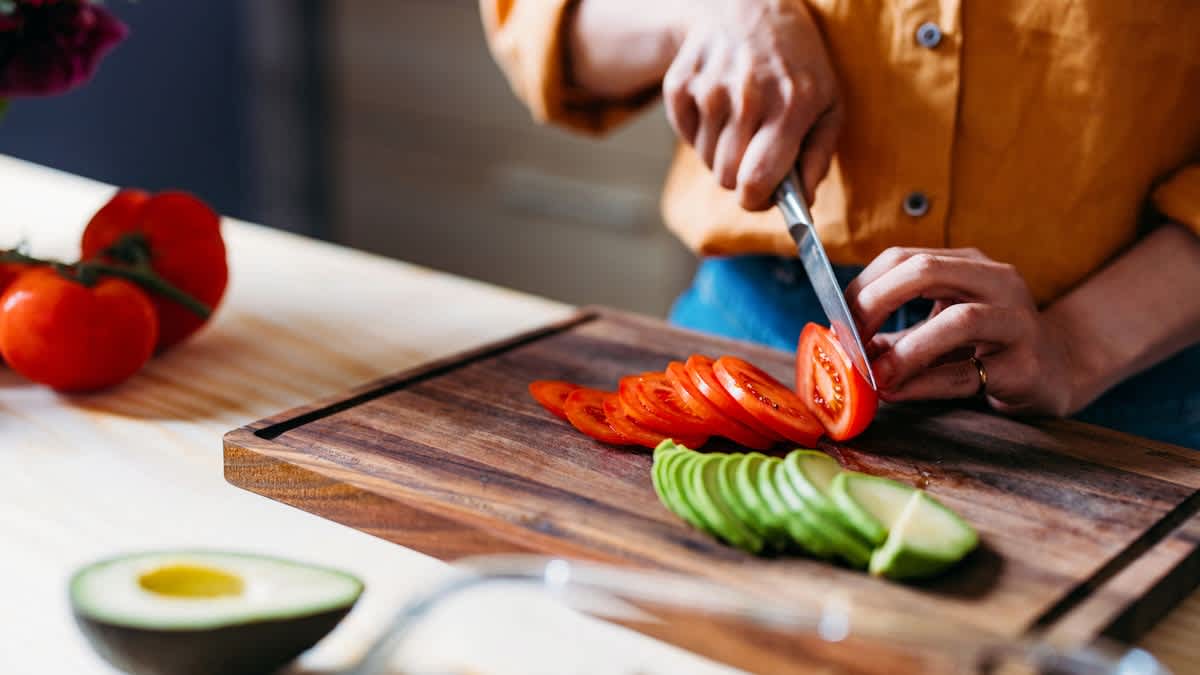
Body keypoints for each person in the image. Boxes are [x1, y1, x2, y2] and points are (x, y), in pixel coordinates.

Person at [481, 1, 1200, 449]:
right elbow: (540, 18)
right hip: (745, 338)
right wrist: (702, 12)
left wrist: (1078, 344)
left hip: (1126, 376)